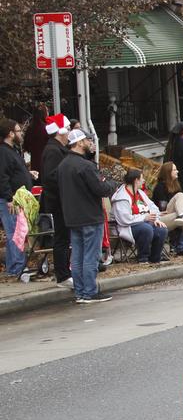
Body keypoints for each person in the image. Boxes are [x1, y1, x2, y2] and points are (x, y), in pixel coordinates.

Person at [57, 129, 117, 303]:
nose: (91, 143)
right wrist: (111, 183)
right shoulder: (85, 166)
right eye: (87, 140)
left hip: (72, 216)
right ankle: (90, 291)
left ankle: (81, 292)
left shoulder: (63, 165)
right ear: (79, 143)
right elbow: (100, 189)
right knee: (90, 255)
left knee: (77, 256)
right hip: (89, 216)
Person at [40, 114, 73, 287]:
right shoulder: (53, 151)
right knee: (62, 238)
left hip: (62, 201)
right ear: (60, 132)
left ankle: (66, 271)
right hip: (59, 202)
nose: (69, 133)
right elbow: (52, 178)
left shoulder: (57, 149)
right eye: (67, 129)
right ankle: (62, 275)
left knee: (64, 237)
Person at [1, 119, 36, 279]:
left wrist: (28, 175)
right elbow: (2, 176)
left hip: (16, 197)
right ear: (10, 134)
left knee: (14, 232)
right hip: (10, 199)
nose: (21, 133)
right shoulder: (3, 152)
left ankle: (13, 266)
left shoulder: (12, 150)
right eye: (18, 130)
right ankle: (17, 267)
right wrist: (9, 198)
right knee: (16, 232)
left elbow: (14, 172)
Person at [110, 169, 169, 264]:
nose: (144, 181)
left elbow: (153, 207)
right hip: (126, 227)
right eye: (142, 178)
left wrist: (156, 219)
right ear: (136, 180)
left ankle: (155, 259)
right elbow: (124, 220)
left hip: (144, 223)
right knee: (146, 228)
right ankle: (143, 258)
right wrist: (144, 217)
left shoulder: (140, 193)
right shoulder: (121, 197)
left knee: (161, 229)